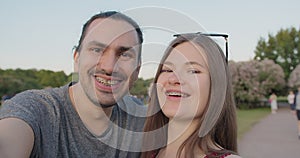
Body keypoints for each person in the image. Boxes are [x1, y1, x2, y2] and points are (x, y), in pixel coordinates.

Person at [0, 11, 147, 157]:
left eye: (125, 55)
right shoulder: (36, 110)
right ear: (77, 58)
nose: (109, 67)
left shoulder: (140, 118)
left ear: (137, 70)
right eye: (97, 50)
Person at [141, 34, 240, 158]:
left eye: (192, 71)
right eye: (167, 69)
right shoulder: (146, 153)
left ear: (217, 86)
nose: (173, 79)